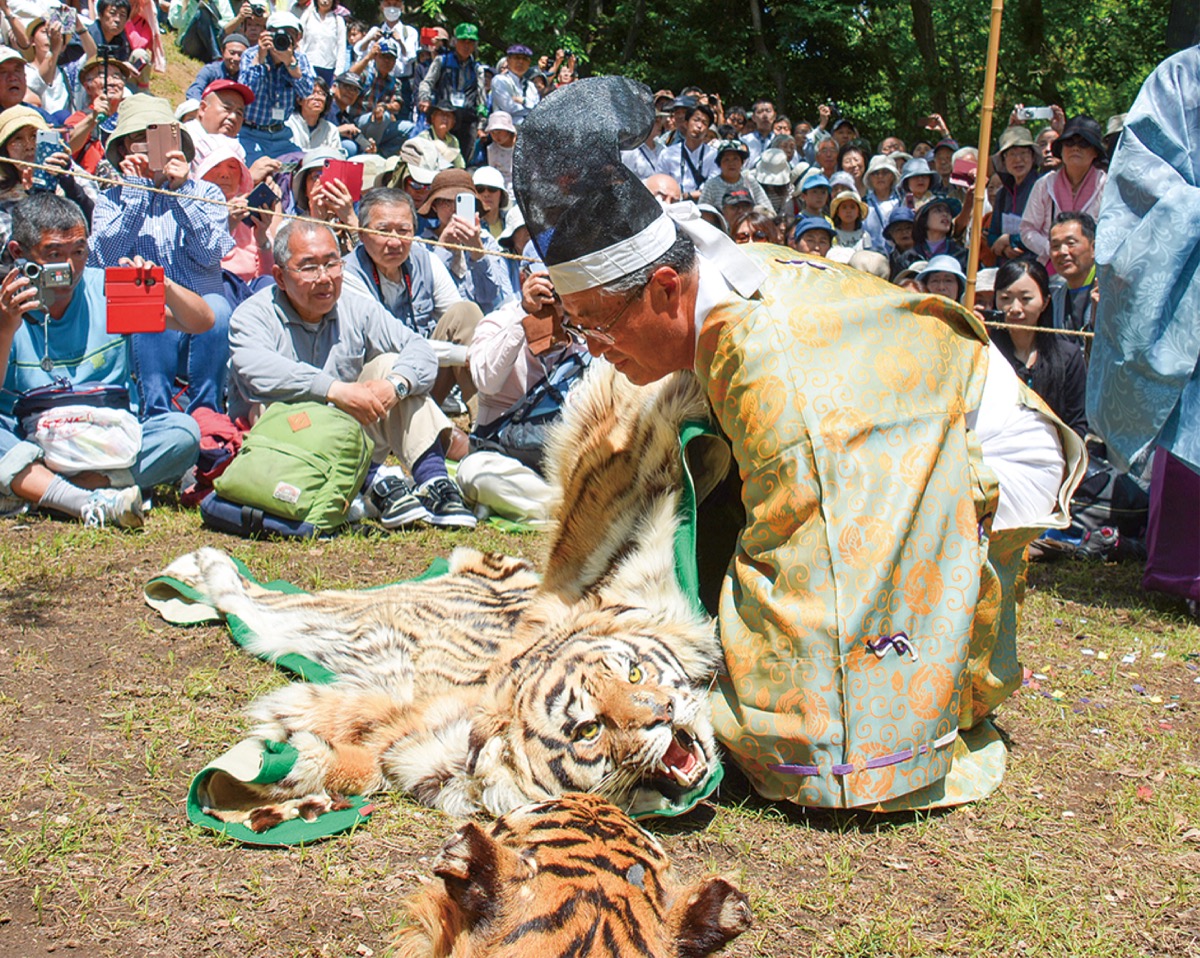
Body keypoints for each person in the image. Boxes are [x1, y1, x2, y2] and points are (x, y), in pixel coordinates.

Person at [517, 76, 1082, 813]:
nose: (593, 349)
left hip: (978, 447)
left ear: (662, 288)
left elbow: (813, 588)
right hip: (883, 417)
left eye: (594, 324)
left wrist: (710, 691)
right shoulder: (713, 289)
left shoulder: (773, 369)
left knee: (819, 702)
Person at [229, 219, 476, 527]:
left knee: (389, 365)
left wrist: (394, 387)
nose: (324, 278)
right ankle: (373, 482)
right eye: (308, 267)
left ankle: (433, 483)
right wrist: (334, 389)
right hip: (291, 443)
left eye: (332, 264)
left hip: (351, 434)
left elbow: (420, 349)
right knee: (267, 406)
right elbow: (255, 370)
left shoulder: (356, 306)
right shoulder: (253, 314)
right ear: (279, 276)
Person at [0, 193, 208, 527]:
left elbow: (200, 322)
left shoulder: (106, 290)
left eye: (79, 252)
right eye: (54, 254)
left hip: (104, 438)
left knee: (182, 432)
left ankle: (42, 490)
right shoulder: (4, 306)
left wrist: (164, 284)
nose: (69, 267)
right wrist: (6, 328)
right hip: (29, 440)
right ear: (18, 253)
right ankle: (85, 499)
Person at [1087, 45, 1200, 607]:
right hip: (1189, 275)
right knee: (1187, 419)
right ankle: (1183, 571)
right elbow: (1143, 176)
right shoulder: (1183, 76)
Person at [89, 95, 234, 416]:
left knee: (220, 308)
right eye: (140, 139)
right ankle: (155, 411)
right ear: (125, 149)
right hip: (141, 319)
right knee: (145, 301)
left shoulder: (205, 192)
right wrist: (137, 194)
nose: (150, 146)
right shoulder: (110, 199)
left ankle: (206, 412)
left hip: (201, 313)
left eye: (158, 136)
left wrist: (182, 191)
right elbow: (102, 261)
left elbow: (212, 253)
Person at [989, 258, 1087, 438]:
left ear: (1045, 301)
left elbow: (1077, 423)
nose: (1015, 308)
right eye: (1005, 298)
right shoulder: (985, 354)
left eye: (1026, 298)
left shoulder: (1068, 356)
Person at [418, 168, 513, 316]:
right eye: (446, 202)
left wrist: (477, 251)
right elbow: (424, 296)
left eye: (460, 202)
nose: (454, 208)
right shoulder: (421, 246)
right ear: (434, 206)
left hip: (484, 327)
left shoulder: (487, 242)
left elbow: (491, 295)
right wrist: (442, 248)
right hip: (442, 327)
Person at [1020, 116, 1107, 266]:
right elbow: (1028, 229)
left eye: (1084, 143)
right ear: (1061, 150)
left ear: (1095, 152)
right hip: (1052, 264)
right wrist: (1053, 248)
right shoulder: (1044, 185)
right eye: (1069, 142)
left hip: (1095, 267)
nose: (1075, 148)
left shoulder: (1107, 186)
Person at [238, 11, 315, 160]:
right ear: (266, 34)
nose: (282, 39)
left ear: (297, 38)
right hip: (249, 134)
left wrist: (290, 64)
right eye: (278, 33)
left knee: (302, 167)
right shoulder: (250, 55)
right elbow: (246, 93)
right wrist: (260, 59)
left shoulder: (299, 59)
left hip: (280, 136)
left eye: (289, 35)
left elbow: (306, 92)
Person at [197, 143, 274, 285]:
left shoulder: (247, 214)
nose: (224, 174)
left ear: (241, 177)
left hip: (249, 292)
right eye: (215, 166)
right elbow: (201, 265)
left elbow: (269, 275)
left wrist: (261, 237)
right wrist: (228, 225)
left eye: (232, 167)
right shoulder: (193, 212)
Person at [417, 23, 485, 151]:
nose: (466, 46)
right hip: (444, 115)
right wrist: (425, 98)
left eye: (470, 42)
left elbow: (482, 100)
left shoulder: (477, 69)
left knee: (462, 160)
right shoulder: (441, 61)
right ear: (455, 42)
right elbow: (426, 83)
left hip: (467, 120)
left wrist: (481, 124)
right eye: (462, 41)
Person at [64, 56, 132, 174]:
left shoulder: (130, 119)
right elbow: (66, 148)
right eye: (102, 76)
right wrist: (92, 119)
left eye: (116, 77)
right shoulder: (80, 119)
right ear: (87, 87)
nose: (111, 82)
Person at [987, 125, 1039, 262]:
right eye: (1012, 154)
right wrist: (1004, 248)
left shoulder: (1043, 188)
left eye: (1023, 153)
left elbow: (1046, 232)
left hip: (1036, 265)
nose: (1018, 160)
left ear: (1033, 157)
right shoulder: (1003, 194)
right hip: (1008, 267)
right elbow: (992, 234)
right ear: (1003, 160)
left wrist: (1011, 240)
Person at [1047, 212, 1097, 334]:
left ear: (1094, 248)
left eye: (1071, 243)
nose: (1062, 252)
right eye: (1055, 246)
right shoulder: (1053, 291)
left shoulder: (1109, 290)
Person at [655, 103, 716, 202]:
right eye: (696, 120)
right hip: (673, 206)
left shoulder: (713, 155)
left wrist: (684, 196)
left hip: (702, 207)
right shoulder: (667, 154)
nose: (699, 126)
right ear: (686, 124)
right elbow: (660, 184)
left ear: (708, 130)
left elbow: (712, 188)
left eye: (704, 123)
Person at [699, 139, 769, 213]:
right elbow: (703, 211)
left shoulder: (749, 181)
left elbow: (766, 207)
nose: (731, 163)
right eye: (726, 160)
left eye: (735, 159)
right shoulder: (711, 185)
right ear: (720, 165)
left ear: (742, 163)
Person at [285, 75, 342, 153]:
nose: (317, 97)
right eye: (311, 93)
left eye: (322, 93)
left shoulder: (331, 130)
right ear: (299, 100)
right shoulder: (288, 124)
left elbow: (336, 157)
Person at [186, 32, 248, 100]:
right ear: (222, 52)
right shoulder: (211, 71)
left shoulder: (248, 77)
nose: (236, 58)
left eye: (240, 55)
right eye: (232, 53)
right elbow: (194, 91)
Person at [297, 0, 346, 86]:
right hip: (308, 66)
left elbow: (341, 47)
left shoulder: (338, 21)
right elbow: (299, 40)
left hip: (328, 69)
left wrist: (338, 72)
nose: (325, 1)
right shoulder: (307, 16)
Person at [489, 43, 538, 125]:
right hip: (505, 131)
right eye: (517, 58)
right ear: (508, 60)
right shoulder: (500, 80)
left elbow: (538, 109)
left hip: (528, 131)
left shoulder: (531, 86)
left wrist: (524, 101)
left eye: (525, 59)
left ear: (529, 63)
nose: (521, 62)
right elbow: (509, 108)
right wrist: (530, 108)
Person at [739, 98, 774, 167]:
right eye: (760, 112)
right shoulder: (744, 140)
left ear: (774, 116)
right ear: (753, 117)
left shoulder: (780, 141)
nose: (765, 115)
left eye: (768, 111)